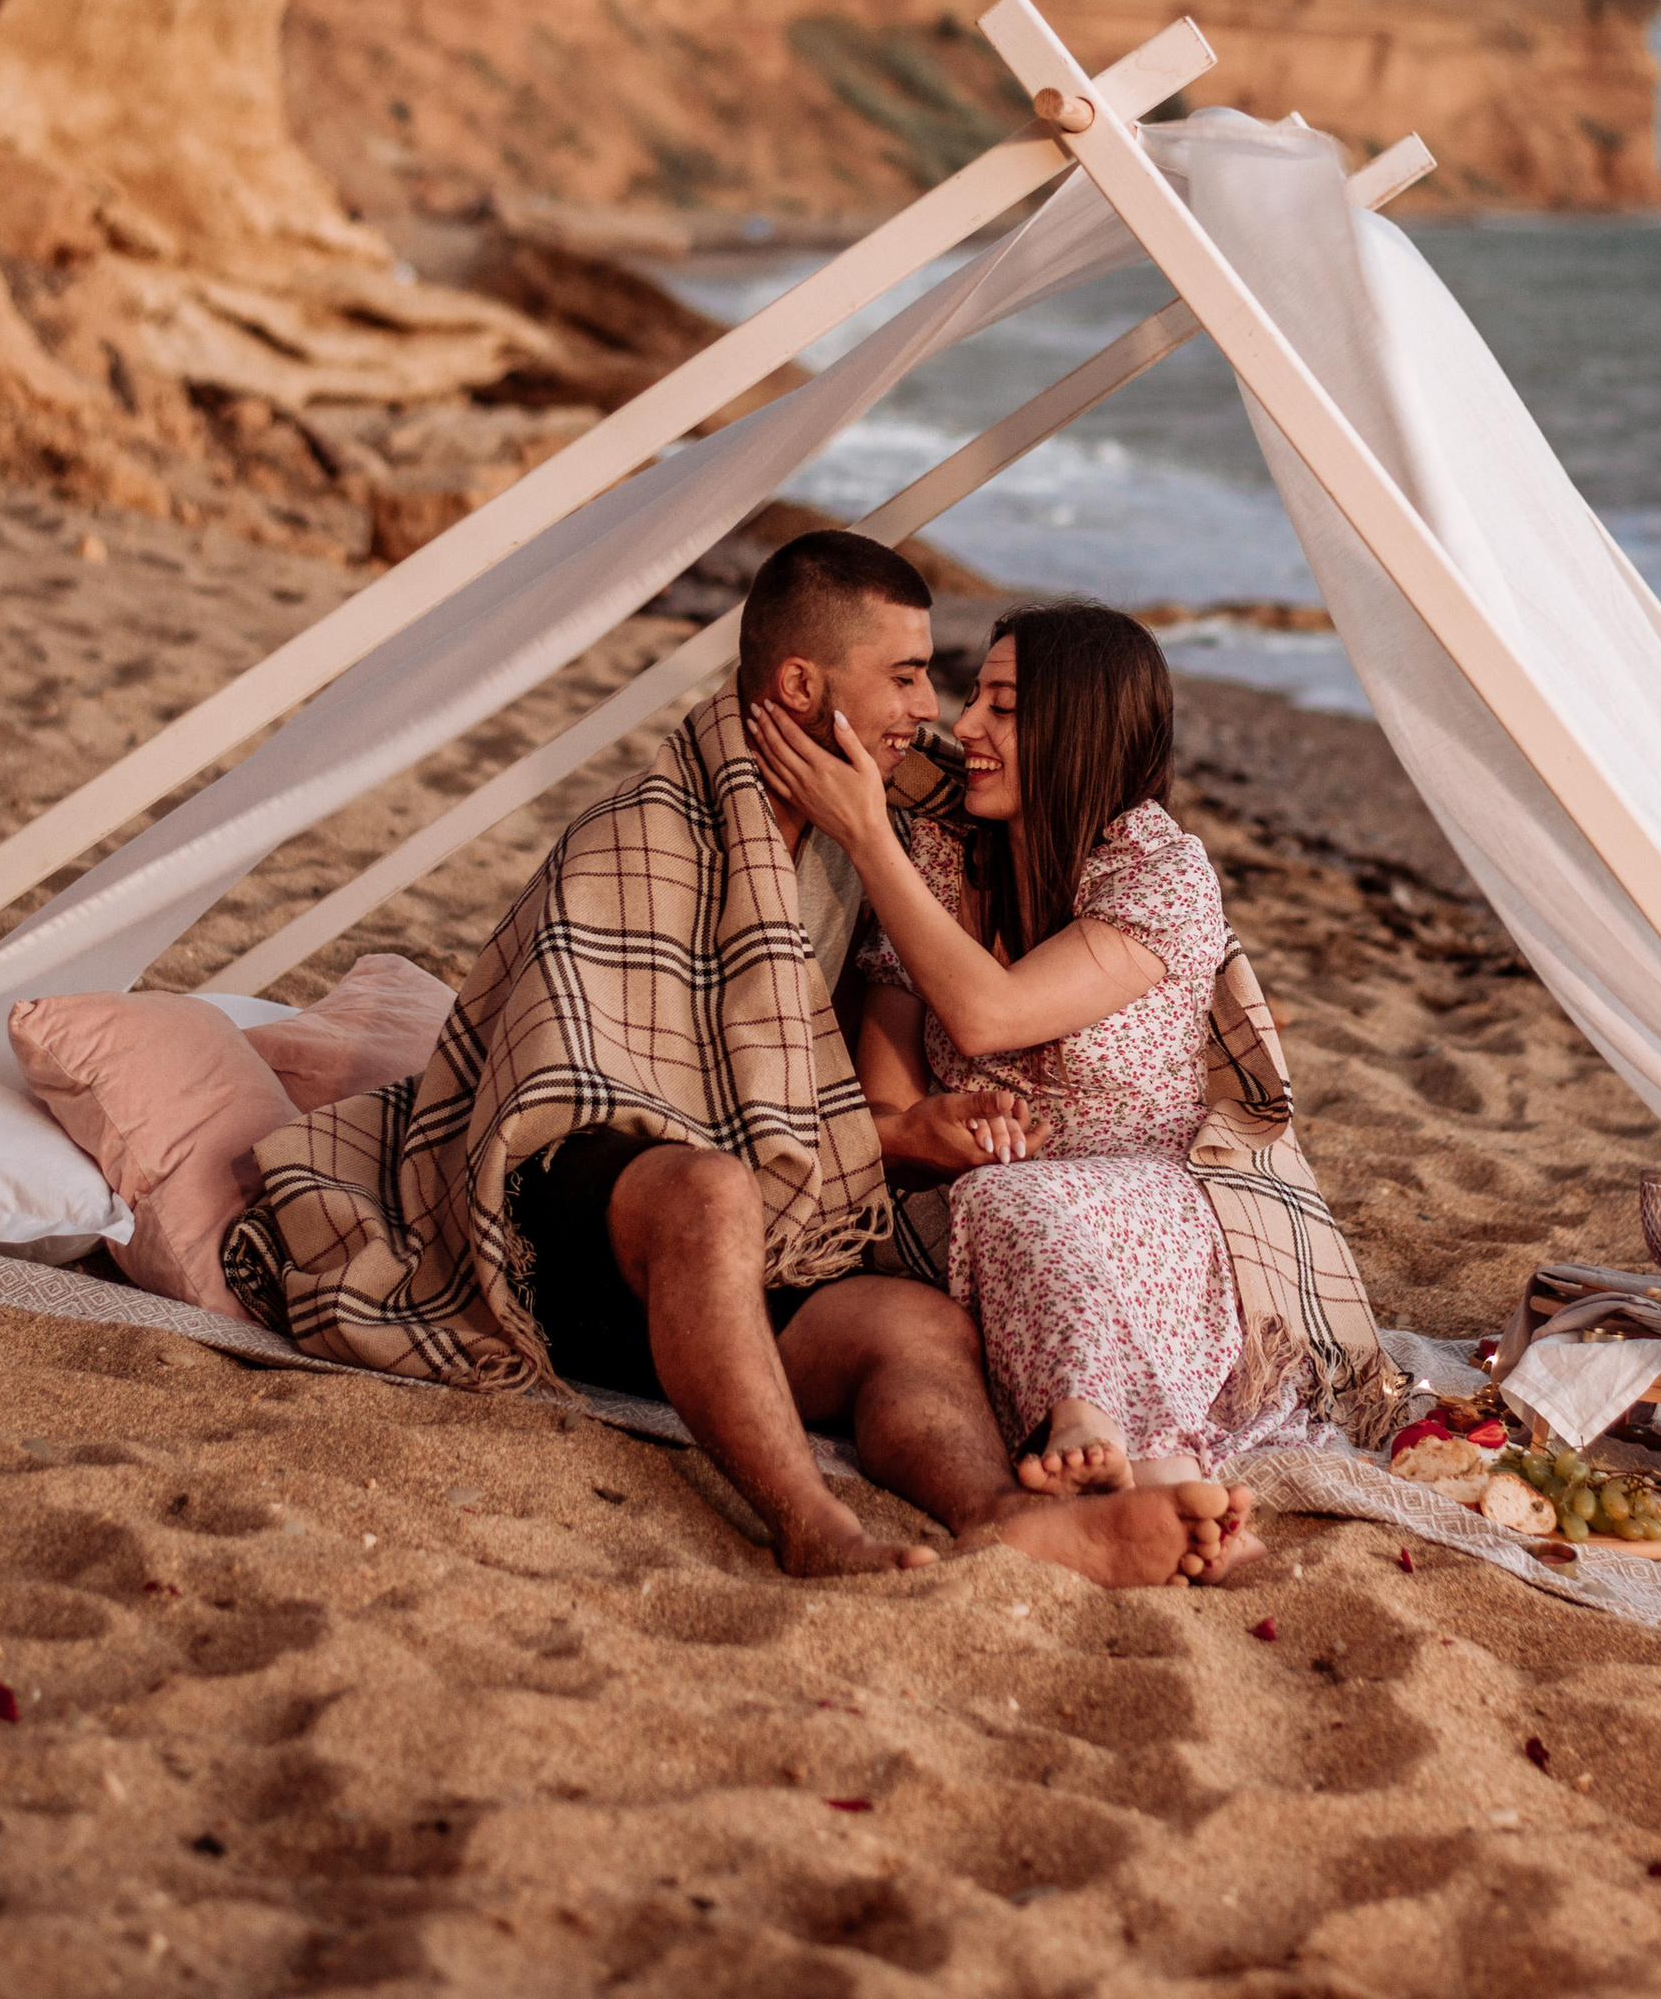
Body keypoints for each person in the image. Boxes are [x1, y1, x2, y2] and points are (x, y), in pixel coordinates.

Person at [234, 532, 1246, 1587]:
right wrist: (878, 1130)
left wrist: (900, 1133)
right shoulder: (643, 835)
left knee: (916, 1321)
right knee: (711, 1189)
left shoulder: (869, 851)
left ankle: (999, 1517)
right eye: (905, 675)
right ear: (801, 683)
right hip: (578, 1239)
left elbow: (833, 1084)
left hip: (756, 1251)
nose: (931, 710)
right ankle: (809, 1521)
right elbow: (573, 1085)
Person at [751, 603, 1374, 1574]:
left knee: (1018, 1200)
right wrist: (928, 1129)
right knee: (1000, 1196)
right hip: (963, 1225)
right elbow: (880, 1113)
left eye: (1002, 705)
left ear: (1078, 725)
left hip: (1155, 1209)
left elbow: (990, 1015)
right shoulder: (936, 858)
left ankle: (1107, 1435)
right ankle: (1154, 1480)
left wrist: (869, 837)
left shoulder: (1159, 872)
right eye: (972, 697)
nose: (963, 727)